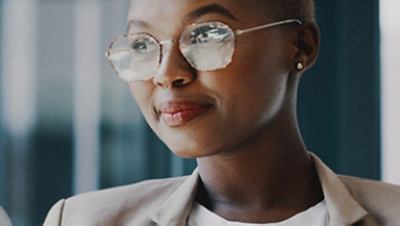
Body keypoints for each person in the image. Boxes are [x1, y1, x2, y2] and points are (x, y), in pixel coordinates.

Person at [44, 0, 400, 225]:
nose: (168, 73)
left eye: (206, 36)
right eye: (142, 44)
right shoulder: (83, 220)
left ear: (301, 44)